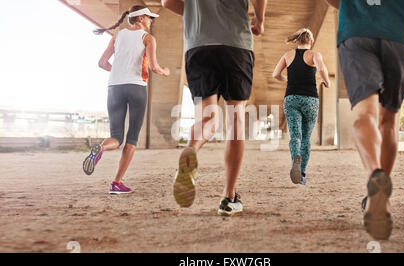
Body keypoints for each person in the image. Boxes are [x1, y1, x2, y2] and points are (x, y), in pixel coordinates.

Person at [326, 0, 404, 240]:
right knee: (388, 122)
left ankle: (374, 177)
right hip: (397, 32)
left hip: (356, 31)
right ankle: (380, 200)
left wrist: (351, 6)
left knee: (363, 114)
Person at [161, 0, 267, 215]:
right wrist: (259, 19)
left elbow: (167, 2)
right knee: (235, 123)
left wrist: (194, 13)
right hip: (236, 44)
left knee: (207, 119)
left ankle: (191, 150)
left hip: (198, 45)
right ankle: (228, 197)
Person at [83, 5, 170, 194]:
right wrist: (165, 71)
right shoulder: (148, 38)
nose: (151, 21)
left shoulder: (118, 36)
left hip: (114, 87)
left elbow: (102, 63)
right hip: (137, 87)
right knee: (131, 138)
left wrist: (118, 72)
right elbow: (154, 67)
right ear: (140, 19)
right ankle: (116, 182)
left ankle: (101, 148)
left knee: (115, 137)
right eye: (149, 18)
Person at [272, 28, 330, 185]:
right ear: (310, 41)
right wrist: (326, 81)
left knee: (295, 136)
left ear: (296, 41)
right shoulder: (315, 55)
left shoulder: (287, 55)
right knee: (306, 138)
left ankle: (295, 157)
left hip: (291, 99)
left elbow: (275, 74)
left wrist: (287, 80)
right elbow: (321, 68)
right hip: (310, 99)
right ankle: (302, 174)